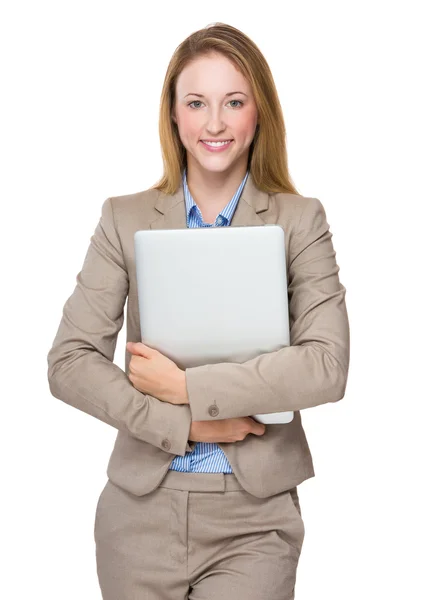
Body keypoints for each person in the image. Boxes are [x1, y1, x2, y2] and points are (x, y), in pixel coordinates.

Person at [47, 22, 350, 600]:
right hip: (138, 516)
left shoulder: (299, 221)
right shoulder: (124, 218)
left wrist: (186, 385)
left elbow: (326, 366)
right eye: (197, 103)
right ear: (174, 115)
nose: (214, 123)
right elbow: (69, 362)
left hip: (254, 520)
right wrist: (184, 423)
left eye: (233, 102)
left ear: (258, 111)